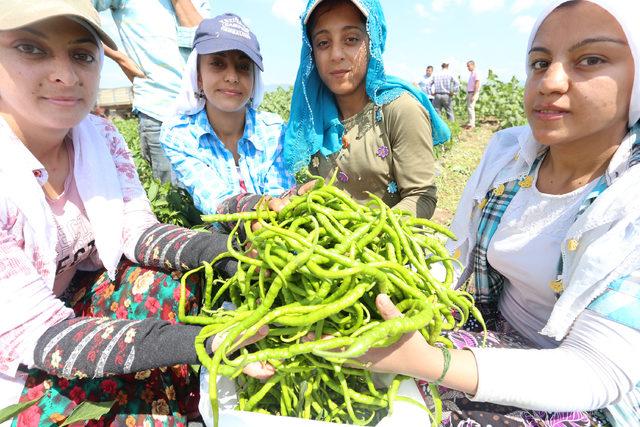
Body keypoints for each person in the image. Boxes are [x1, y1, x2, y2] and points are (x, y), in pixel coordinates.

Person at [355, 1, 640, 425]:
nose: (551, 81)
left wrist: (433, 362)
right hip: (496, 333)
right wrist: (377, 297)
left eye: (591, 60)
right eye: (540, 62)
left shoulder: (629, 198)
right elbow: (453, 258)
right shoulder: (510, 154)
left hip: (583, 390)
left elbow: (598, 371)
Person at [0, 2, 273, 425]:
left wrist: (232, 253)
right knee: (73, 406)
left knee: (173, 289)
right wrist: (203, 340)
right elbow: (40, 331)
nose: (66, 75)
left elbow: (138, 232)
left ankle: (175, 405)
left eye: (82, 55)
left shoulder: (100, 137)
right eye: (31, 49)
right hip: (19, 340)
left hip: (72, 298)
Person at [284, 0, 450, 219]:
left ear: (373, 41)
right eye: (323, 42)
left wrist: (363, 242)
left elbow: (421, 196)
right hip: (322, 249)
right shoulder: (309, 120)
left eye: (351, 39)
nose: (336, 54)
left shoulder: (399, 109)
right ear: (311, 52)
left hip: (389, 248)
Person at [160, 14, 294, 216]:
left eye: (243, 66)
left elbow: (281, 198)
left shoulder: (274, 131)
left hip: (279, 236)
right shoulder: (179, 135)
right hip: (222, 240)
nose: (232, 77)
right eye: (217, 63)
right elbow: (214, 197)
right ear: (198, 76)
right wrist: (253, 213)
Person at [93, 0, 210, 184]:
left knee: (210, 195)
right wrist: (120, 58)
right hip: (159, 111)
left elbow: (205, 44)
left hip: (204, 114)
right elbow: (75, 8)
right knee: (175, 201)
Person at [465, 60, 481, 129]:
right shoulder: (472, 73)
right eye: (467, 66)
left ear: (473, 65)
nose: (468, 68)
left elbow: (477, 84)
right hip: (470, 92)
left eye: (469, 66)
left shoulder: (476, 73)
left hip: (473, 93)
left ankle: (472, 124)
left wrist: (474, 94)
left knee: (471, 108)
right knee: (470, 108)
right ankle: (470, 123)